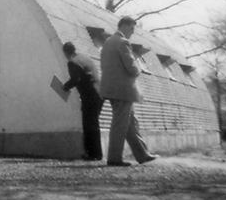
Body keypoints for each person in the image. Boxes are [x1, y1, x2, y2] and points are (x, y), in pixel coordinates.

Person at [100, 16, 157, 167]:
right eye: (131, 29)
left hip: (111, 89)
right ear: (124, 27)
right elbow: (131, 67)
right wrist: (139, 70)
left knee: (130, 122)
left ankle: (142, 154)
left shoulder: (108, 42)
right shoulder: (123, 42)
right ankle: (114, 158)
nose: (132, 32)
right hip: (123, 90)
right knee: (120, 124)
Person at [61, 42, 104, 161]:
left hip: (89, 95)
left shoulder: (72, 62)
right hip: (99, 93)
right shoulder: (84, 58)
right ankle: (97, 153)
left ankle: (92, 154)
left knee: (88, 124)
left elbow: (76, 79)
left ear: (65, 52)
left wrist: (65, 87)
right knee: (94, 124)